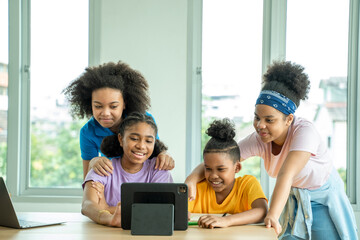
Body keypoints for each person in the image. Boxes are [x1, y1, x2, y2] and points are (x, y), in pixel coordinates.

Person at [185, 61, 358, 239]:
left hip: (323, 196)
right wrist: (191, 179)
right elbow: (224, 157)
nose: (260, 125)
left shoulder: (305, 132)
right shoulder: (260, 139)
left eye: (269, 120)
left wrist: (273, 215)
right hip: (294, 196)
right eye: (257, 117)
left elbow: (286, 175)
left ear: (289, 119)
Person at [63, 61, 174, 179]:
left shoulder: (144, 121)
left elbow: (155, 152)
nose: (105, 113)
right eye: (98, 106)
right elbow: (88, 180)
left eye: (113, 106)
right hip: (113, 188)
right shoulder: (88, 132)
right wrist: (93, 162)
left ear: (125, 104)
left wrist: (164, 156)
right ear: (89, 104)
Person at [81, 112, 173, 227]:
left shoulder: (158, 169)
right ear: (121, 139)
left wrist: (107, 208)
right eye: (134, 138)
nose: (141, 146)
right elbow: (87, 205)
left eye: (148, 141)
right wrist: (108, 218)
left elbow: (159, 209)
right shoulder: (103, 168)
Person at [188, 118, 268, 229]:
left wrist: (226, 221)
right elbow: (178, 211)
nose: (213, 176)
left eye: (221, 169)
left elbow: (262, 211)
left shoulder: (247, 184)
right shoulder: (197, 189)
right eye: (208, 169)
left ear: (237, 167)